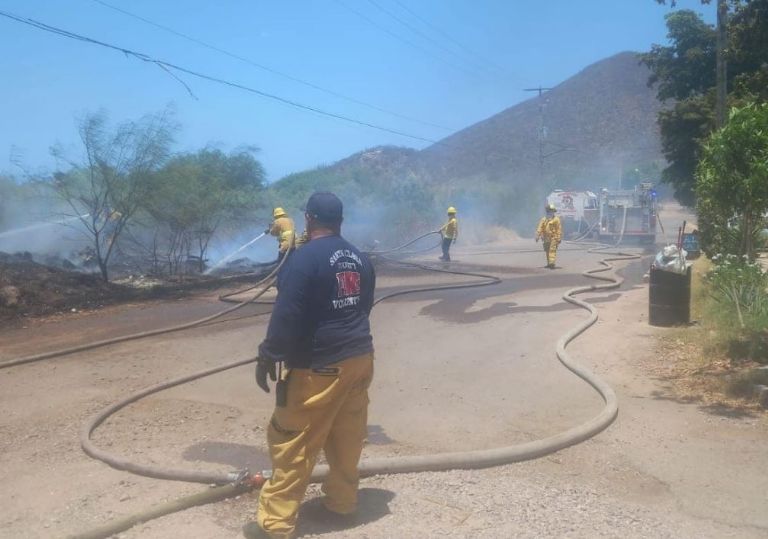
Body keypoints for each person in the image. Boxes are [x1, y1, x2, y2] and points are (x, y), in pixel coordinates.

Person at [244, 192, 376, 539]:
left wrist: (270, 353)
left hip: (321, 366)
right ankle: (342, 504)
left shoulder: (303, 259)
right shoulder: (361, 258)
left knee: (292, 440)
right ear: (341, 222)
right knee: (347, 435)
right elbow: (364, 306)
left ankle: (275, 525)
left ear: (308, 219)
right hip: (360, 358)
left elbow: (287, 312)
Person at [535, 203, 562, 269]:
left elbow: (559, 229)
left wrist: (559, 238)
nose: (551, 212)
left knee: (552, 250)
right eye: (550, 211)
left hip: (554, 238)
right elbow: (540, 227)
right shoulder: (543, 219)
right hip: (546, 238)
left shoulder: (556, 219)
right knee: (547, 250)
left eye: (552, 211)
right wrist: (537, 235)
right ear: (547, 211)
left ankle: (552, 263)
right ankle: (549, 263)